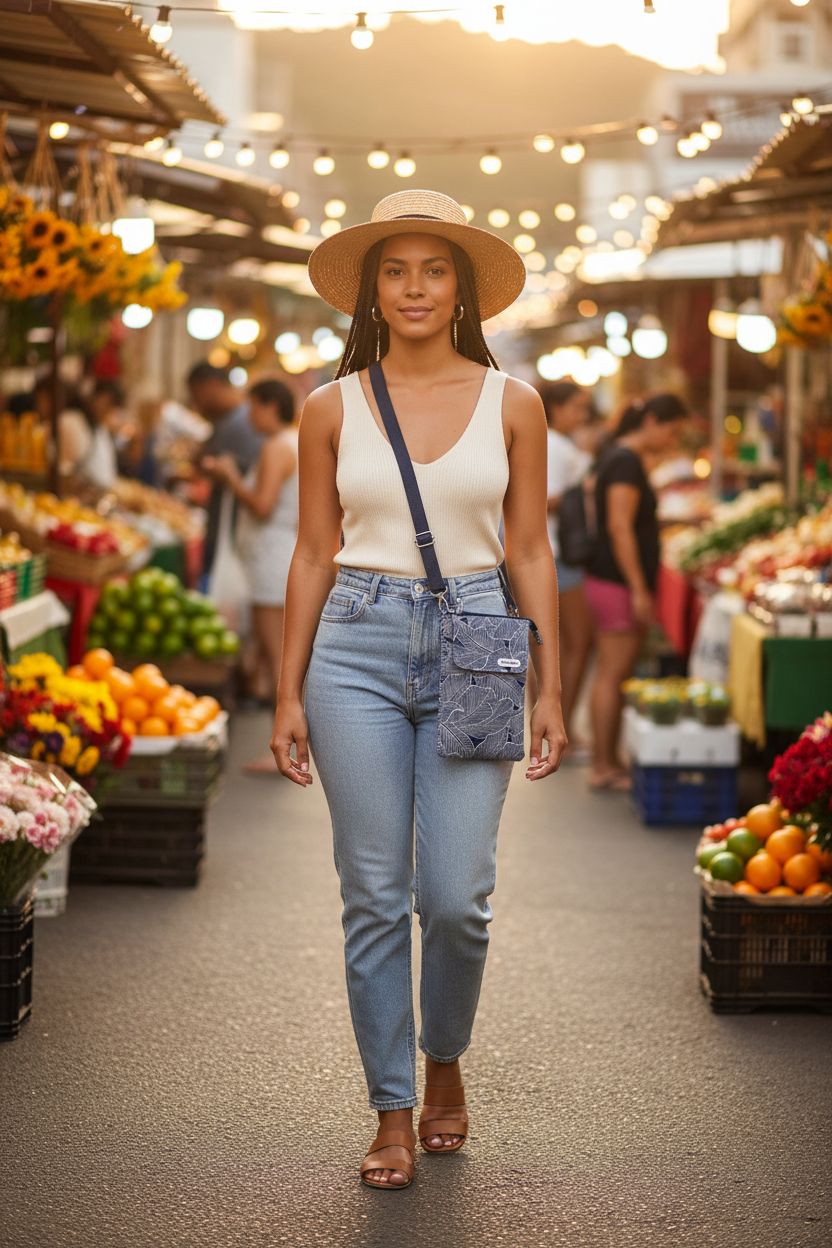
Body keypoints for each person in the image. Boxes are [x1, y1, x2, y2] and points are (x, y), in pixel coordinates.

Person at [269, 190, 567, 1192]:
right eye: (393, 271)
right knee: (373, 893)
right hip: (351, 642)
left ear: (461, 289)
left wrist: (552, 687)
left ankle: (447, 1058)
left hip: (480, 638)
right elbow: (312, 551)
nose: (412, 288)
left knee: (456, 898)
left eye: (432, 270)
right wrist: (285, 692)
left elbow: (529, 547)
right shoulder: (328, 406)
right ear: (369, 290)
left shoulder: (512, 400)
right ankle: (392, 1107)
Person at [585, 394, 688, 791]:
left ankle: (608, 759)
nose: (673, 441)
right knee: (612, 673)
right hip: (616, 581)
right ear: (651, 422)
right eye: (672, 431)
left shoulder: (619, 457)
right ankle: (603, 765)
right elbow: (619, 526)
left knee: (615, 672)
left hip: (612, 579)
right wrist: (639, 588)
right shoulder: (625, 462)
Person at [203, 378, 299, 773]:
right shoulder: (290, 441)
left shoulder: (278, 447)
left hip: (270, 560)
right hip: (275, 555)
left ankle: (283, 750)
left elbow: (262, 505)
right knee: (274, 655)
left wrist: (230, 479)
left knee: (279, 660)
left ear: (269, 406)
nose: (249, 416)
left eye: (253, 408)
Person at [540, 380, 594, 751]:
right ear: (556, 408)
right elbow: (545, 500)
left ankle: (551, 727)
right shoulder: (554, 447)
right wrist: (583, 494)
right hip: (556, 553)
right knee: (575, 642)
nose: (582, 416)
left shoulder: (556, 444)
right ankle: (565, 730)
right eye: (577, 407)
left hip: (549, 553)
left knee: (546, 646)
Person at [186, 362, 264, 581]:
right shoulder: (225, 420)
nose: (196, 402)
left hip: (235, 527)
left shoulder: (240, 422)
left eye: (196, 394)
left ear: (212, 385)